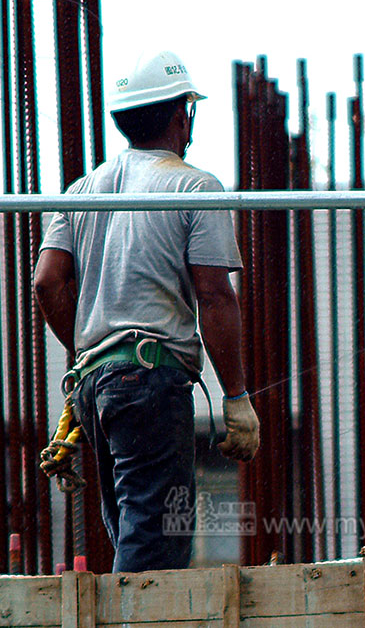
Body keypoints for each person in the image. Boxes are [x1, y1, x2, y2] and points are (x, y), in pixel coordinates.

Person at [34, 50, 260, 572]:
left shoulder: (81, 191)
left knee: (136, 537)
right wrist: (238, 398)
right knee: (155, 551)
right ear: (183, 114)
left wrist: (91, 352)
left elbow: (47, 283)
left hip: (94, 386)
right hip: (148, 382)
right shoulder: (194, 185)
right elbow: (214, 295)